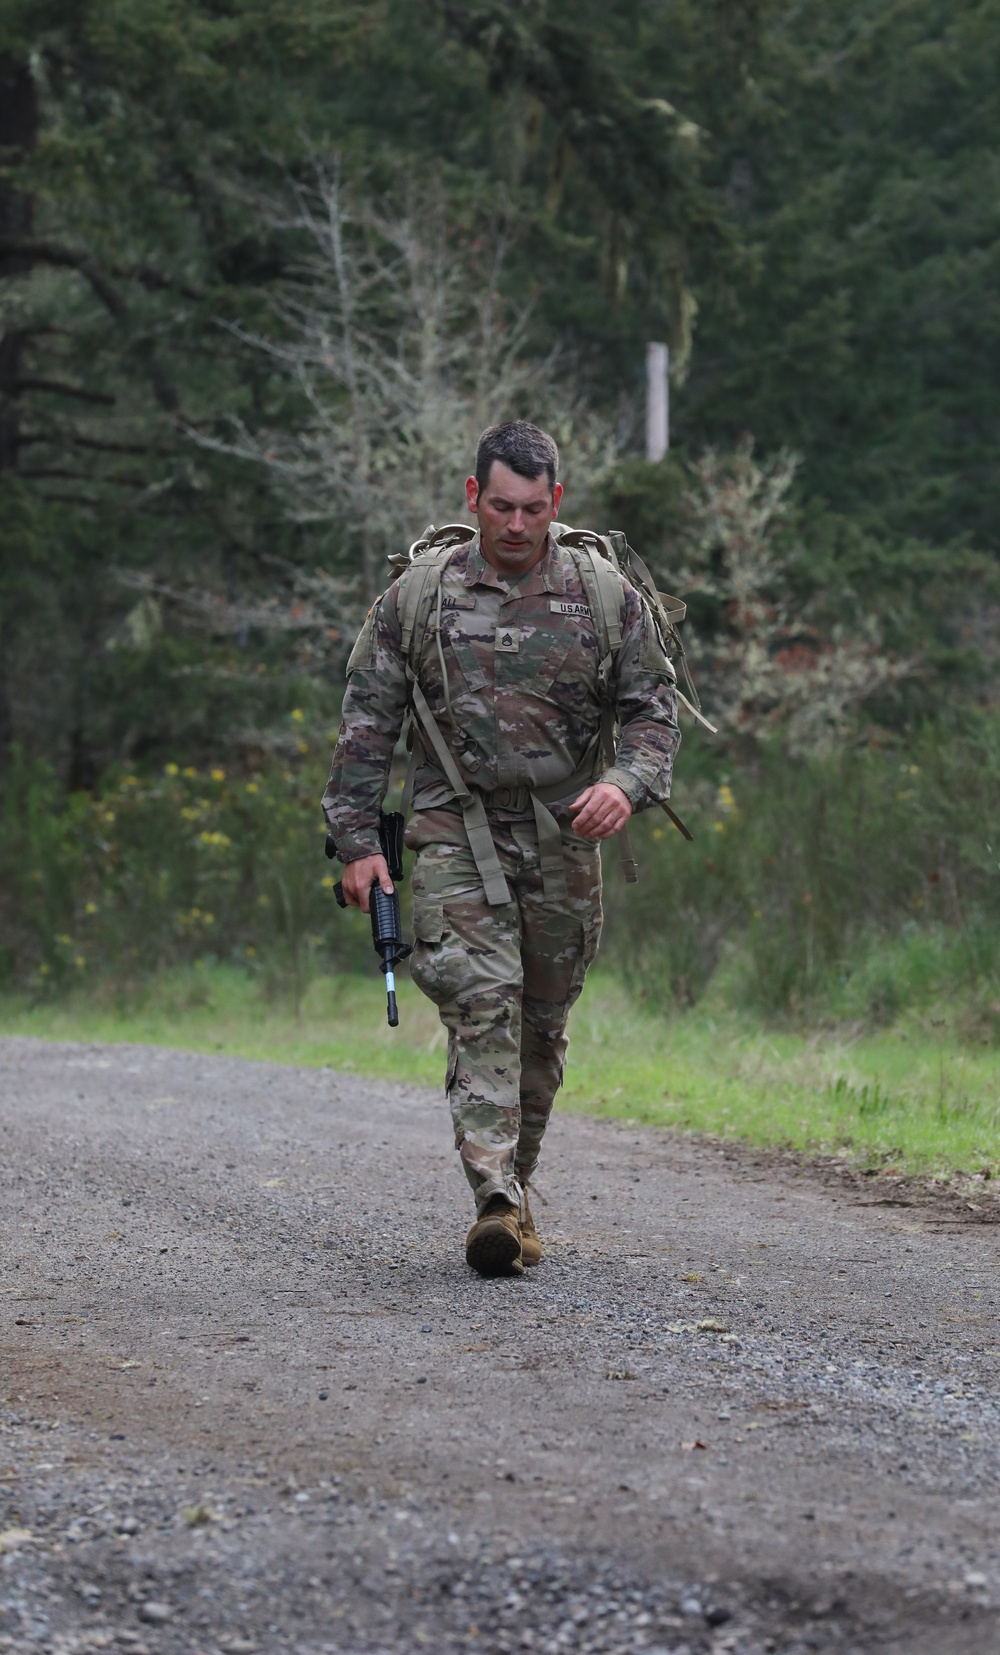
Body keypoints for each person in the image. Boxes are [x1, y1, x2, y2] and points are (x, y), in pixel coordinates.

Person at [322, 421, 680, 1276]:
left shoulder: (603, 596)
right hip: (452, 823)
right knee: (485, 998)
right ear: (472, 496)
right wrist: (358, 843)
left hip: (564, 832)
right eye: (500, 505)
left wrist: (624, 786)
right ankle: (492, 1198)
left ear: (555, 502)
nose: (515, 525)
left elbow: (653, 713)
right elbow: (367, 722)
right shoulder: (418, 595)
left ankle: (515, 1188)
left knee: (542, 1025)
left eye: (532, 508)